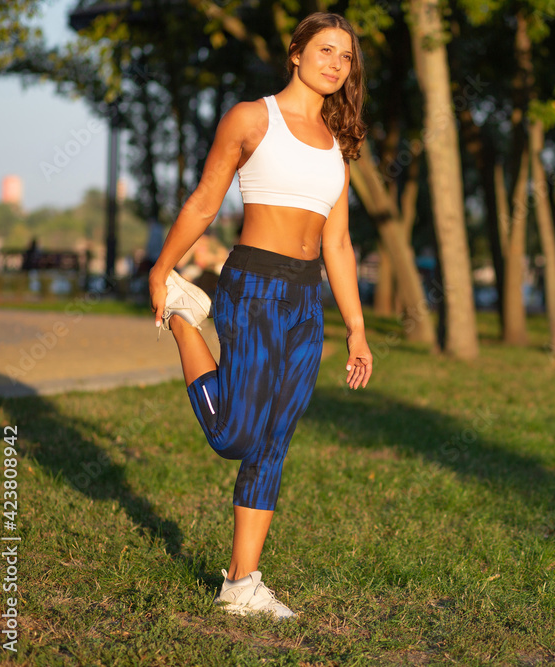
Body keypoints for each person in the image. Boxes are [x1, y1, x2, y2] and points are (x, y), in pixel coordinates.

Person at [148, 12, 373, 620]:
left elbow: (339, 245)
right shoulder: (252, 118)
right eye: (324, 50)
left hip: (305, 301)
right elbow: (204, 199)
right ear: (295, 52)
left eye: (345, 57)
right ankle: (182, 320)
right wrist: (162, 269)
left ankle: (241, 584)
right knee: (233, 436)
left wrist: (355, 328)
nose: (335, 63)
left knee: (272, 443)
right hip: (251, 285)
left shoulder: (337, 144)